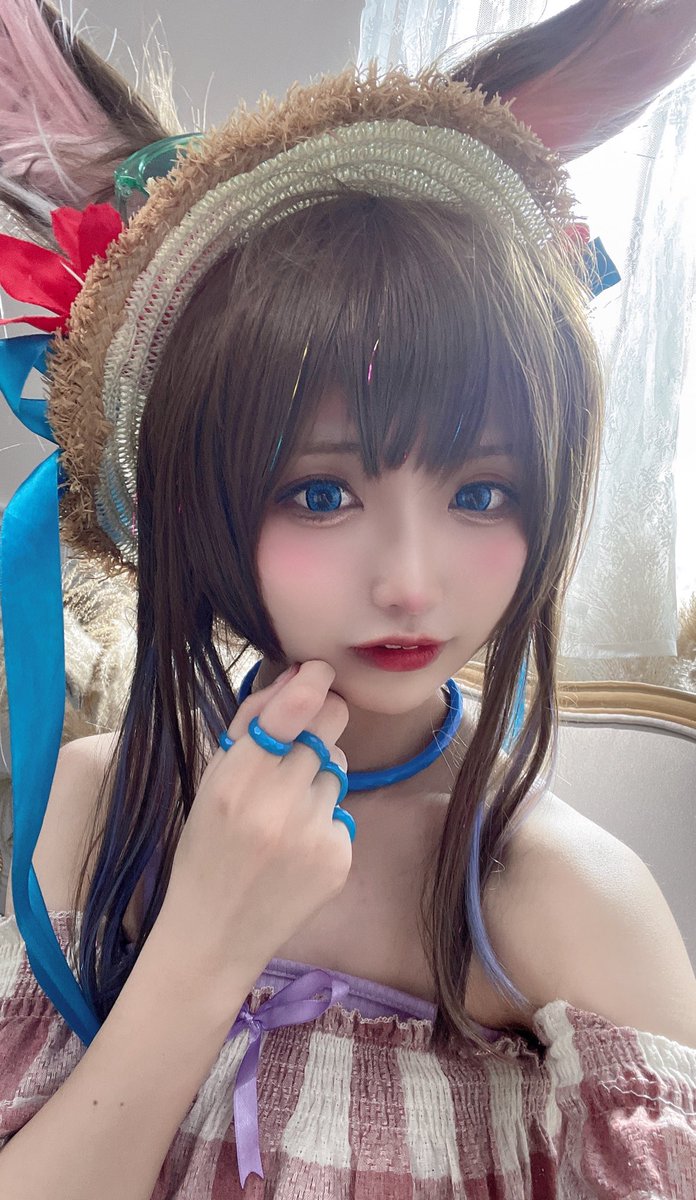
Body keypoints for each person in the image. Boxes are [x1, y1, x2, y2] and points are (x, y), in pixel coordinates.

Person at [0, 0, 695, 1196]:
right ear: (192, 503)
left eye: (483, 493)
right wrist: (206, 939)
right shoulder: (96, 802)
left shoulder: (557, 899)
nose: (412, 582)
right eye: (320, 495)